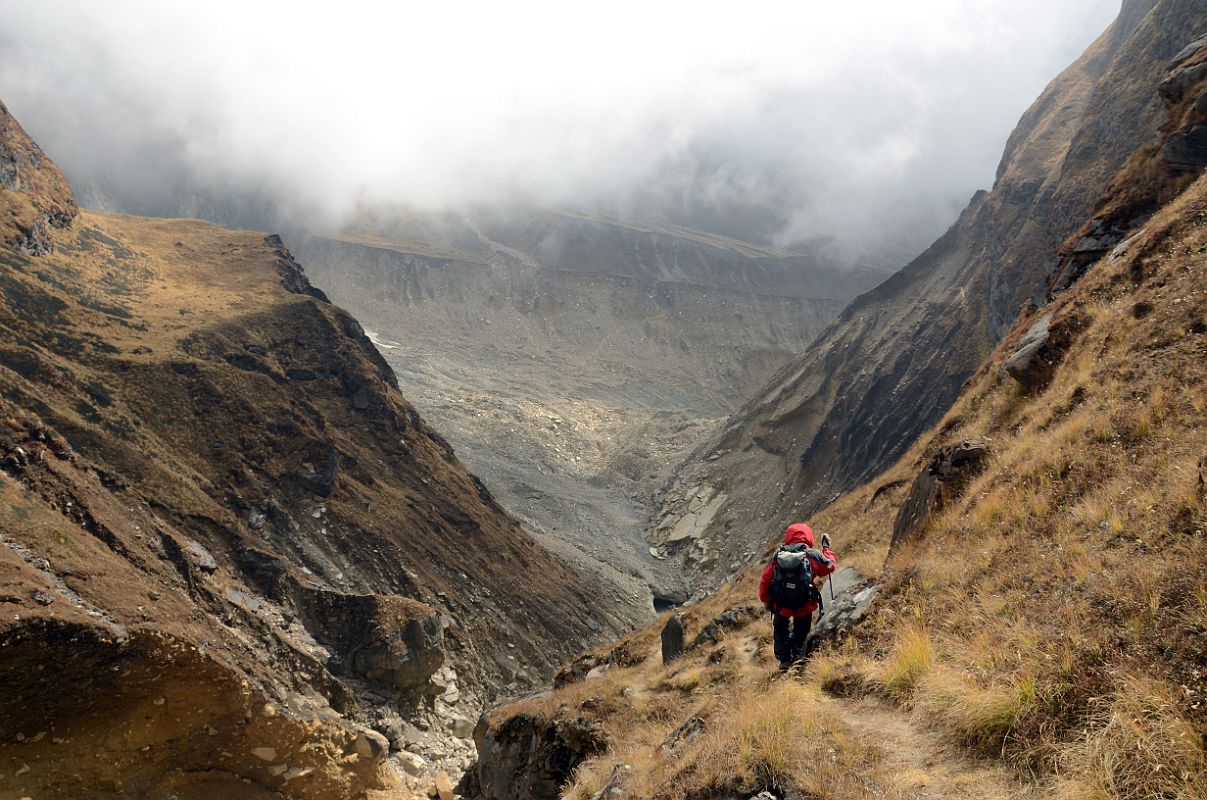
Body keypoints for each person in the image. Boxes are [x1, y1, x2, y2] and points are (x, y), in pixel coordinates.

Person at [758, 523, 836, 670]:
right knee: (801, 631)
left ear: (789, 536)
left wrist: (766, 600)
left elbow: (765, 579)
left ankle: (784, 661)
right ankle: (799, 658)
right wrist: (826, 548)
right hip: (804, 605)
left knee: (781, 630)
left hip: (781, 605)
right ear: (809, 537)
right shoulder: (812, 554)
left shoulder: (778, 554)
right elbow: (830, 566)